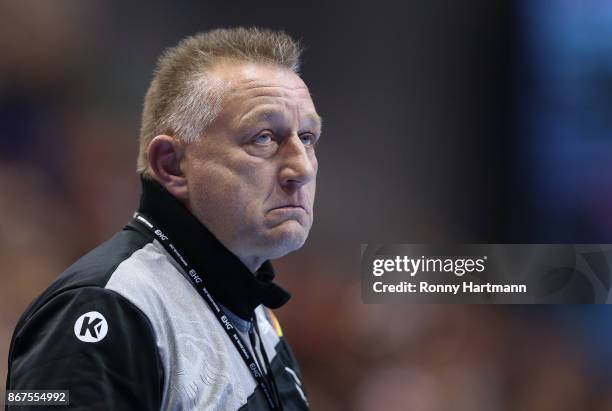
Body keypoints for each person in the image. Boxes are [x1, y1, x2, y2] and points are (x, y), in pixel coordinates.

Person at [5, 27, 320, 410]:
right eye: (264, 138)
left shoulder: (256, 316)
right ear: (171, 165)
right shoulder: (105, 306)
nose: (300, 167)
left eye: (306, 137)